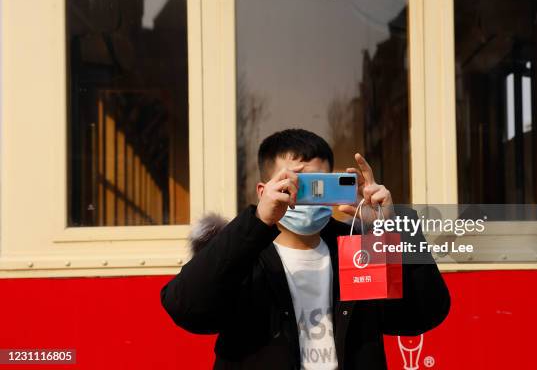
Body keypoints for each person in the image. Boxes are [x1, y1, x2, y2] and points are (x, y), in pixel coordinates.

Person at [161, 129, 450, 370]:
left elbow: (422, 315)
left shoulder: (356, 248)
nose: (308, 198)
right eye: (296, 184)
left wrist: (391, 226)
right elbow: (186, 308)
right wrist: (258, 222)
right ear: (263, 191)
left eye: (318, 185)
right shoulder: (241, 253)